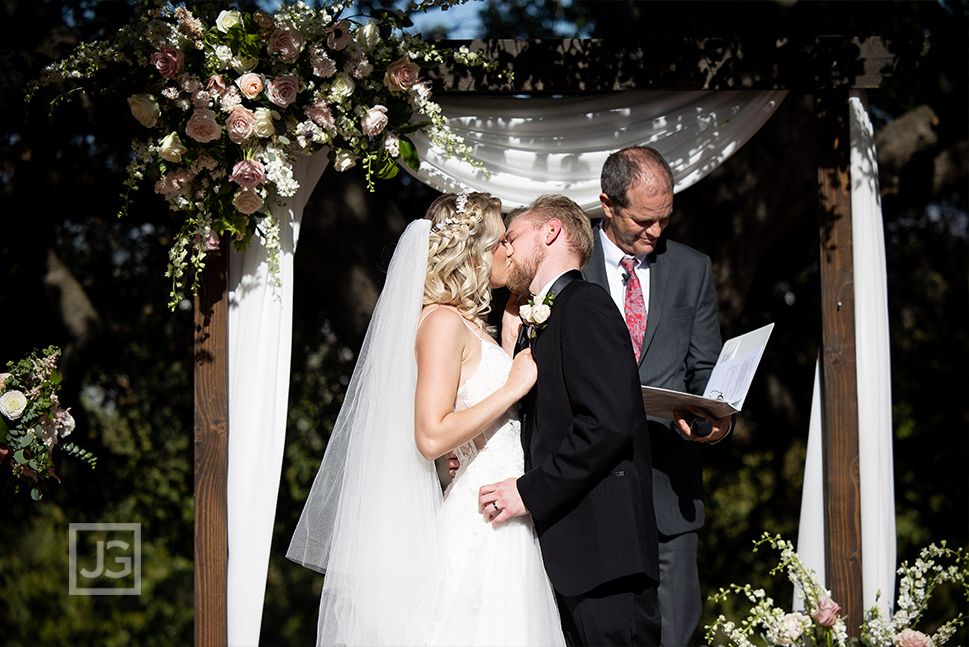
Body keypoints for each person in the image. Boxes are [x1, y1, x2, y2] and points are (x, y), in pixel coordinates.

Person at [287, 192, 565, 646]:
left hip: (505, 511)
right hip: (482, 523)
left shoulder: (469, 322)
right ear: (473, 252)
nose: (509, 251)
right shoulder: (440, 322)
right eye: (500, 243)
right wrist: (514, 386)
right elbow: (431, 434)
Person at [478, 194, 661, 646]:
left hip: (605, 557)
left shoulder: (585, 305)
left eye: (512, 237)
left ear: (551, 232)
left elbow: (608, 423)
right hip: (572, 558)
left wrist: (528, 492)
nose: (504, 249)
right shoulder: (542, 318)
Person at [585, 145, 732, 647]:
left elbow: (706, 368)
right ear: (607, 204)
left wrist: (713, 418)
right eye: (644, 221)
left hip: (670, 482)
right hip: (586, 485)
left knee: (674, 633)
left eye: (665, 219)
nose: (656, 232)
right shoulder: (568, 263)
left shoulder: (692, 268)